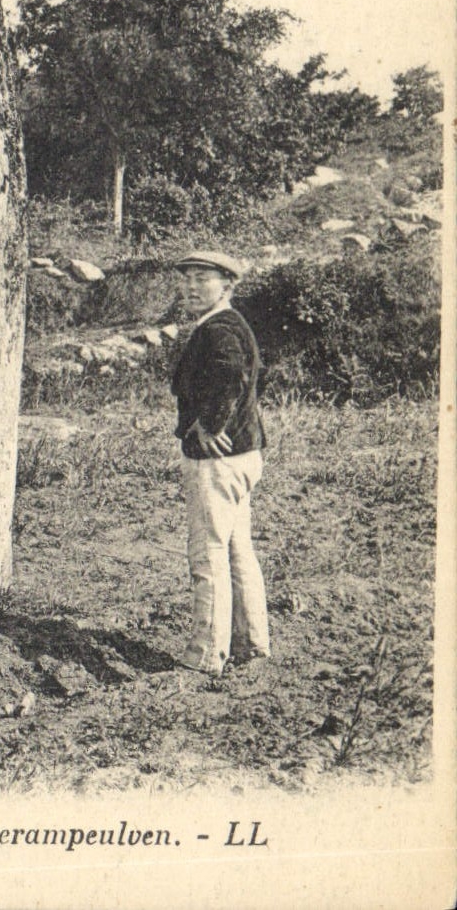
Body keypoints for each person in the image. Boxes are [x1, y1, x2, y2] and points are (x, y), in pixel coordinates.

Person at [169, 249, 270, 675]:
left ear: (227, 285)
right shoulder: (226, 324)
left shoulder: (218, 330)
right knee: (237, 550)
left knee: (208, 553)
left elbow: (232, 374)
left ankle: (207, 655)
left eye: (202, 279)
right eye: (186, 278)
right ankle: (250, 643)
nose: (191, 287)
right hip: (244, 454)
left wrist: (209, 424)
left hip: (218, 460)